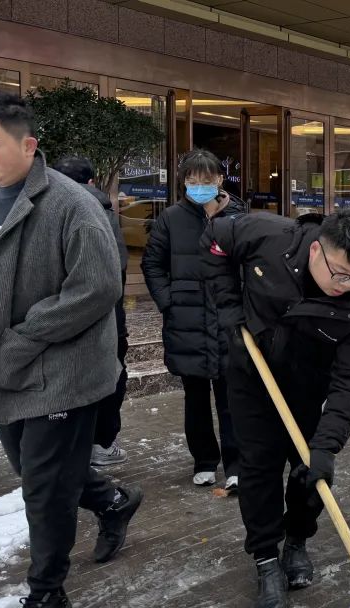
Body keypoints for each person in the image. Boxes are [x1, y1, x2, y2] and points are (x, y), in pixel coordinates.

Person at [0, 91, 142, 608]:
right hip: (5, 371)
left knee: (44, 491)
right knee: (38, 474)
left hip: (61, 371)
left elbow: (97, 286)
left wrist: (22, 339)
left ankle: (47, 591)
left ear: (28, 145)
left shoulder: (71, 203)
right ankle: (114, 501)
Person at [203, 207, 350, 606]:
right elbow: (214, 240)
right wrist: (230, 307)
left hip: (306, 383)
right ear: (317, 250)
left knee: (310, 469)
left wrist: (328, 445)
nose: (347, 285)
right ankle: (266, 557)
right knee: (258, 466)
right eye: (340, 273)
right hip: (251, 374)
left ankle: (297, 540)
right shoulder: (266, 235)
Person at [142, 150, 244, 490]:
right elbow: (152, 264)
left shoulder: (238, 216)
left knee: (232, 398)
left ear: (220, 179)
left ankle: (237, 463)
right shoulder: (170, 218)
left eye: (206, 180)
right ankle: (203, 460)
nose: (199, 187)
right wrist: (167, 301)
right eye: (192, 181)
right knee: (196, 398)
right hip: (186, 320)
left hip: (228, 319)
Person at [52, 157, 130, 467]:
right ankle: (101, 444)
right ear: (92, 182)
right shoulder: (99, 211)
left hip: (61, 318)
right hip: (106, 319)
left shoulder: (48, 208)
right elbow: (116, 270)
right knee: (110, 379)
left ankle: (70, 448)